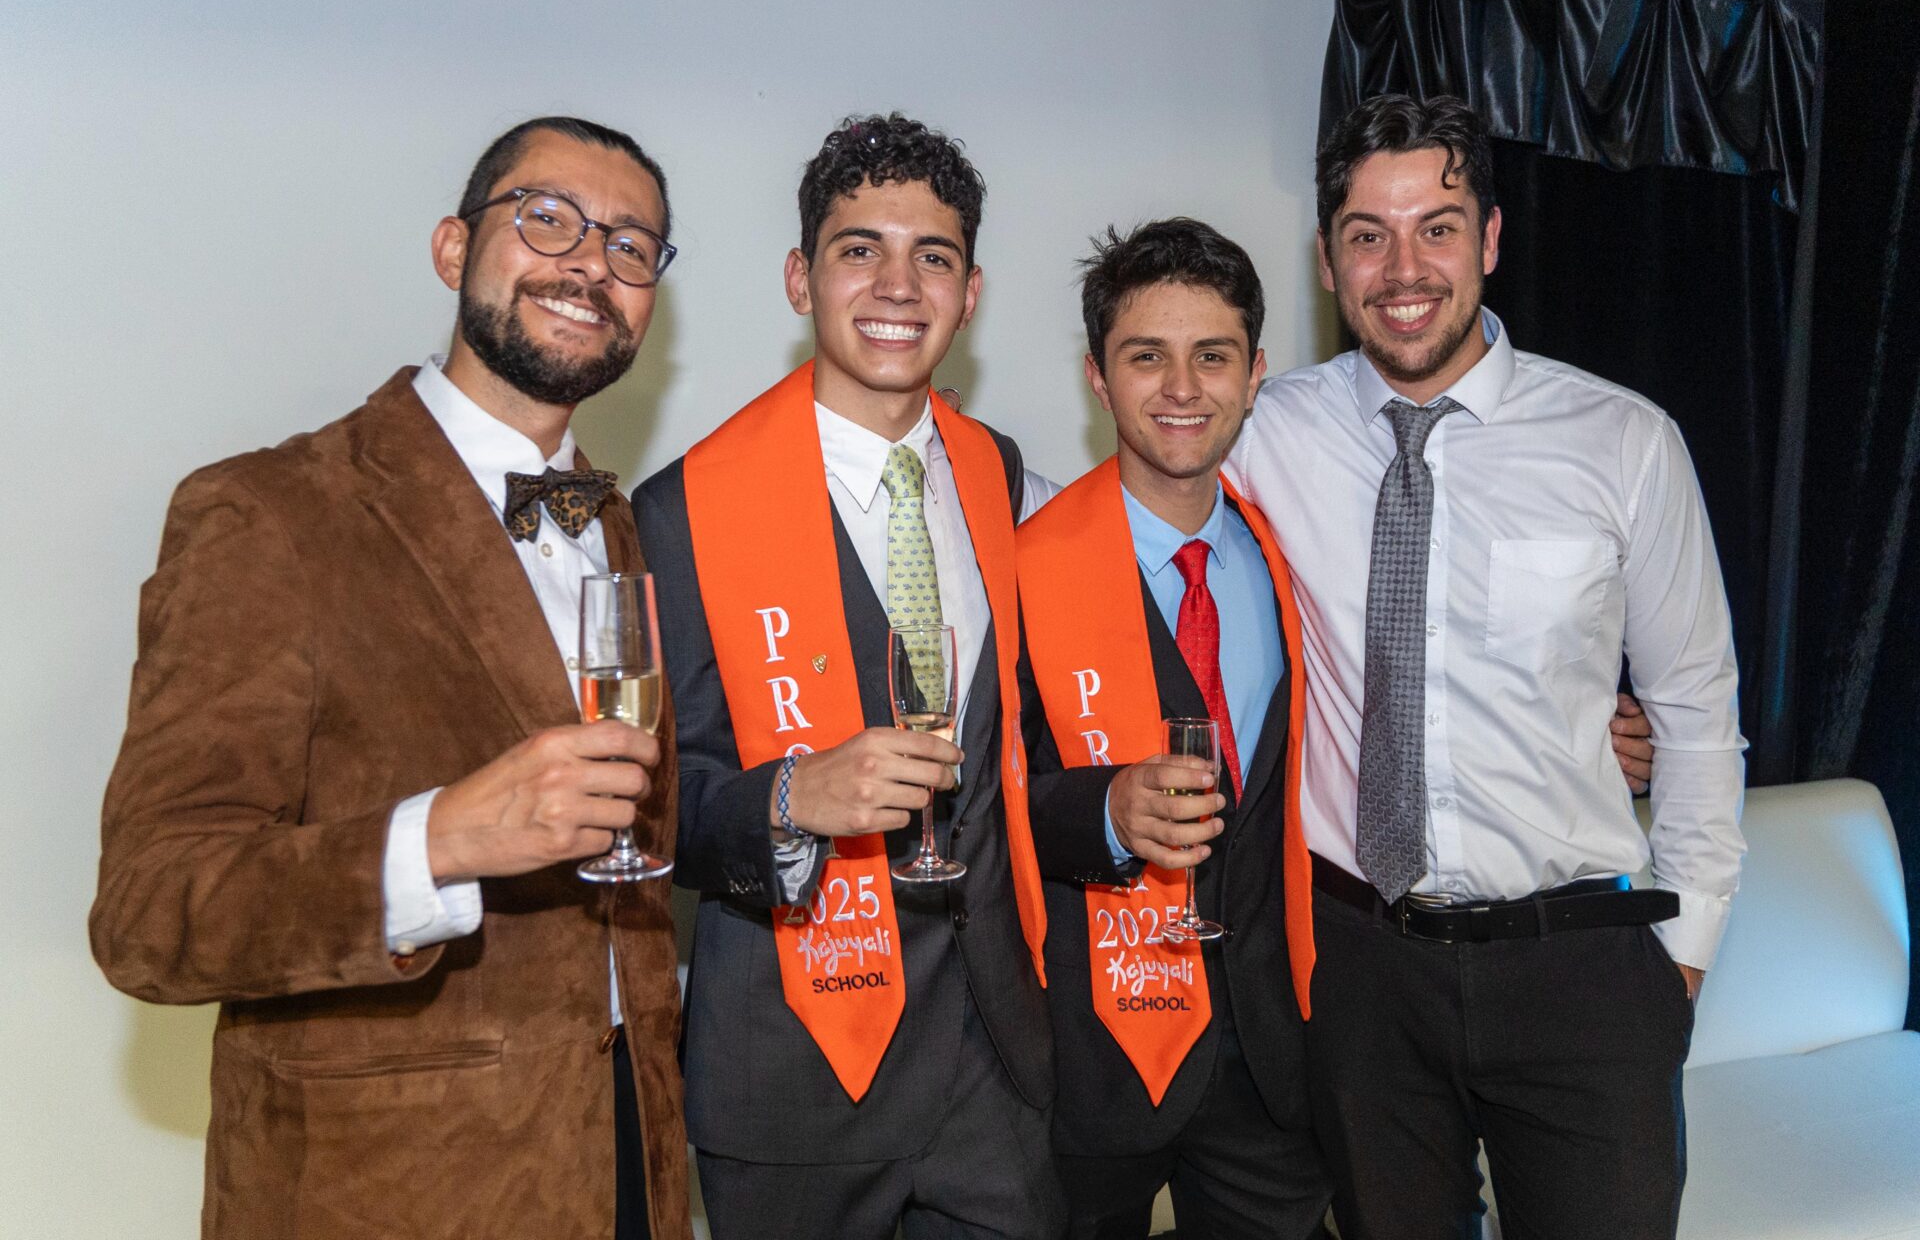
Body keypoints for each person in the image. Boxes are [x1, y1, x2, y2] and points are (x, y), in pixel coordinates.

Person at [90, 117, 690, 1240]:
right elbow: (149, 911)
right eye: (547, 218)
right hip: (386, 1192)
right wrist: (439, 840)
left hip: (621, 1161)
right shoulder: (268, 512)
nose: (588, 265)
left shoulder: (612, 523)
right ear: (454, 248)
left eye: (630, 246)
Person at [1225, 93, 1746, 1238]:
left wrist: (1681, 965)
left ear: (1492, 239)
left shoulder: (1625, 442)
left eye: (1439, 226)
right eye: (1368, 233)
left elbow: (1698, 711)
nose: (1403, 266)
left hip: (1585, 968)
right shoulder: (1264, 428)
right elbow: (1120, 524)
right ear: (1326, 259)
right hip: (1363, 969)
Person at [632, 114, 1062, 1240]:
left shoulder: (996, 469)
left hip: (994, 1062)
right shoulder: (683, 509)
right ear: (799, 277)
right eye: (857, 247)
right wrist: (787, 797)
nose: (898, 284)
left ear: (971, 293)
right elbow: (652, 796)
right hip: (797, 1076)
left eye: (934, 255)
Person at [1016, 218, 1332, 1238]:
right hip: (1087, 1061)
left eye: (1213, 356)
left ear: (1256, 374)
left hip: (1269, 1060)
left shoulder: (1295, 554)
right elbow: (982, 800)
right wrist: (1104, 808)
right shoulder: (1020, 568)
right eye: (1146, 355)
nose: (1181, 388)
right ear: (1098, 380)